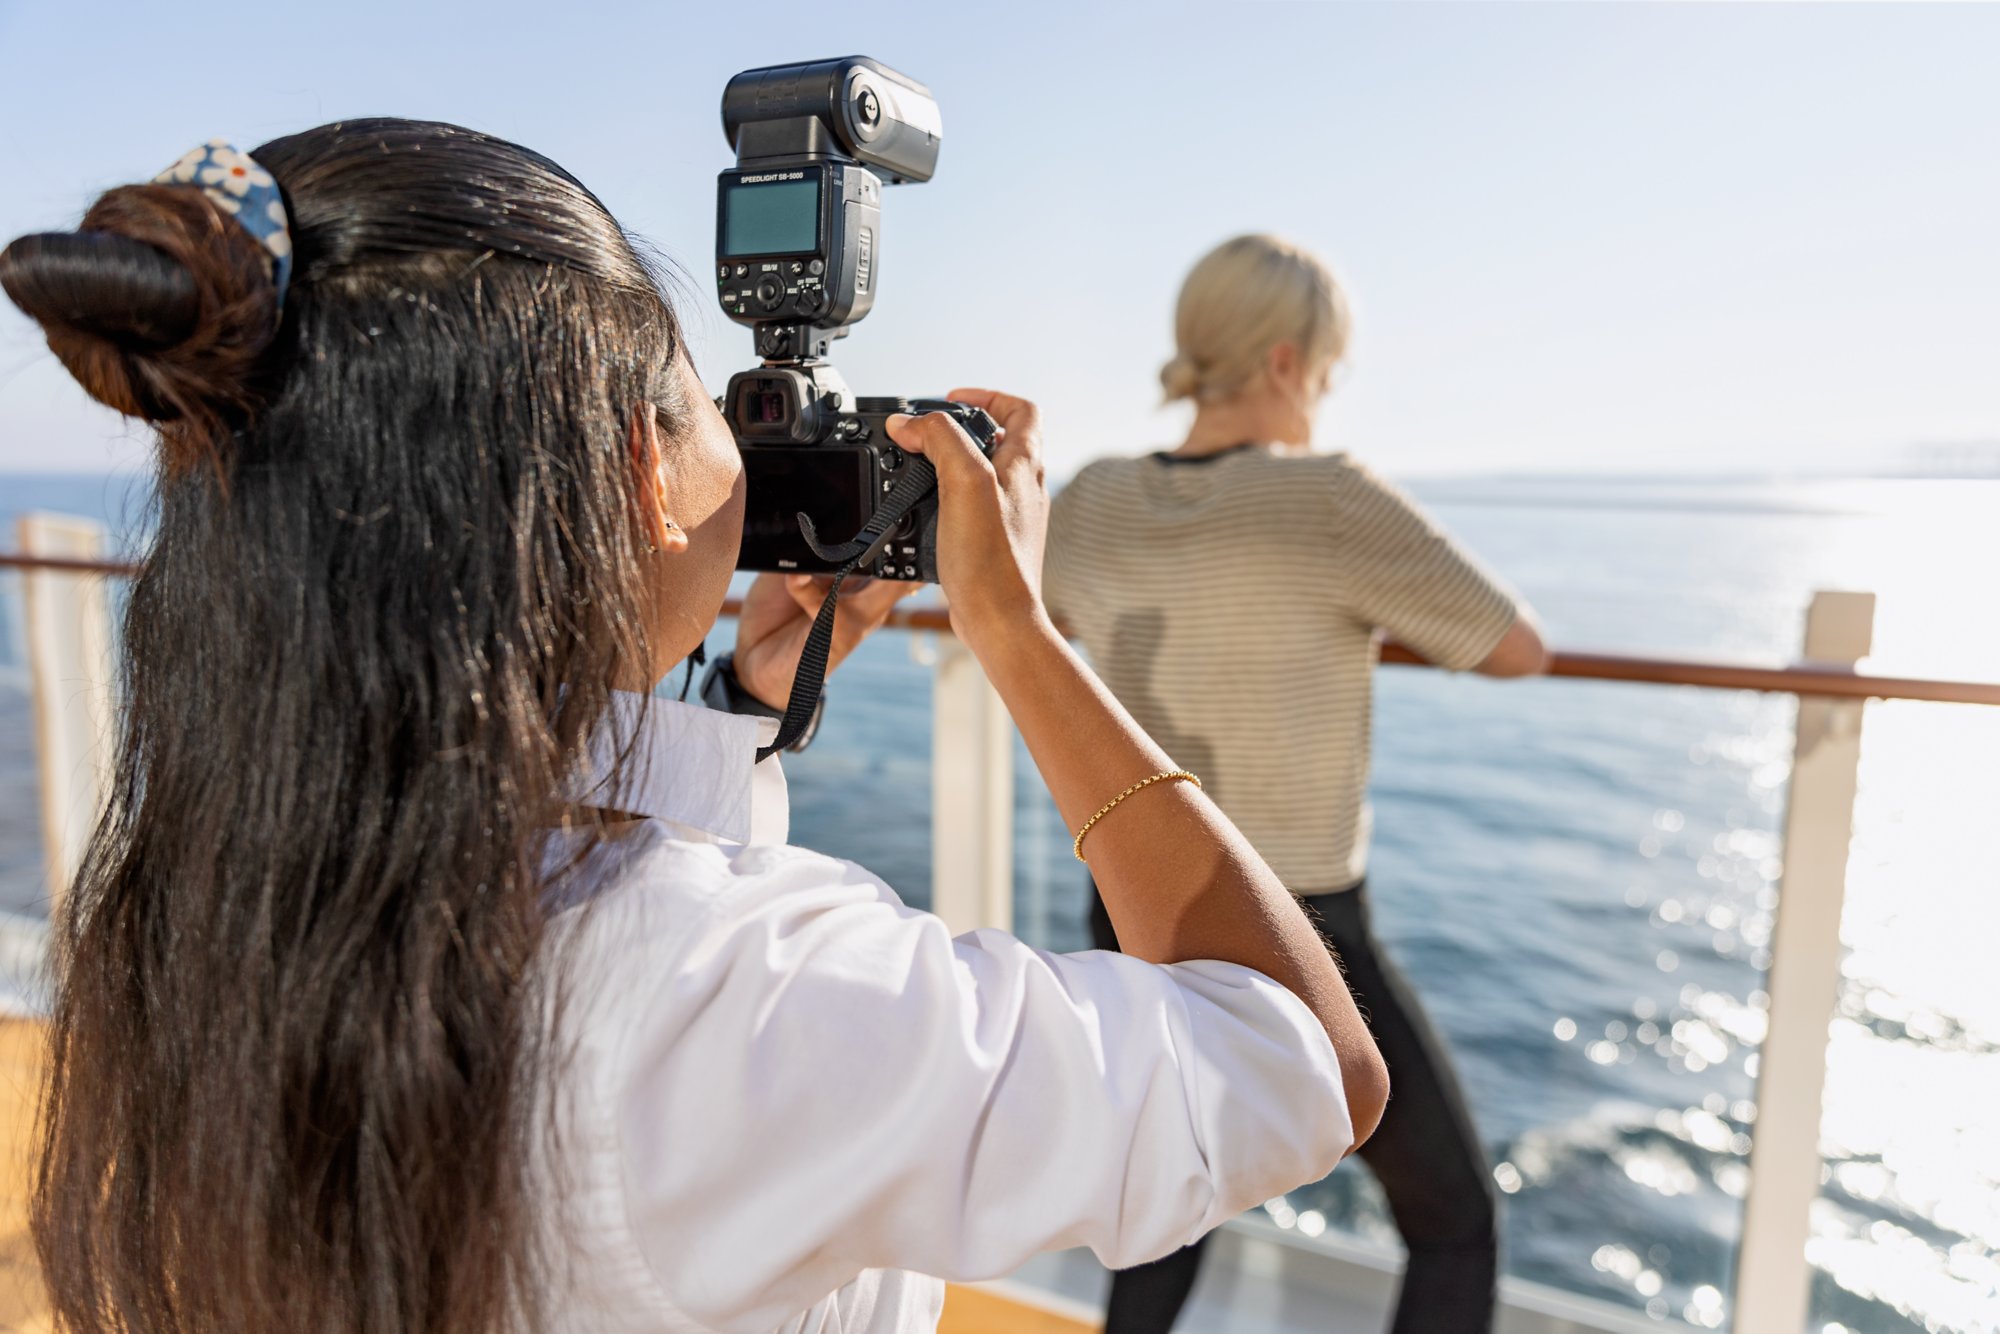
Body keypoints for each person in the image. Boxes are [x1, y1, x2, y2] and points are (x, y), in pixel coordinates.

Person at [1, 124, 1389, 1334]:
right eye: (714, 405)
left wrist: (736, 700)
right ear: (632, 472)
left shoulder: (215, 873)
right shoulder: (751, 993)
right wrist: (1014, 633)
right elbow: (1308, 1067)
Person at [1044, 234, 1548, 1334]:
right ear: (1283, 362)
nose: (1326, 390)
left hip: (1130, 908)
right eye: (1328, 366)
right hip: (1297, 927)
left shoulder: (1089, 497)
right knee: (1454, 1221)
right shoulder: (1325, 498)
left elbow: (1065, 617)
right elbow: (1514, 644)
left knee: (1168, 1206)